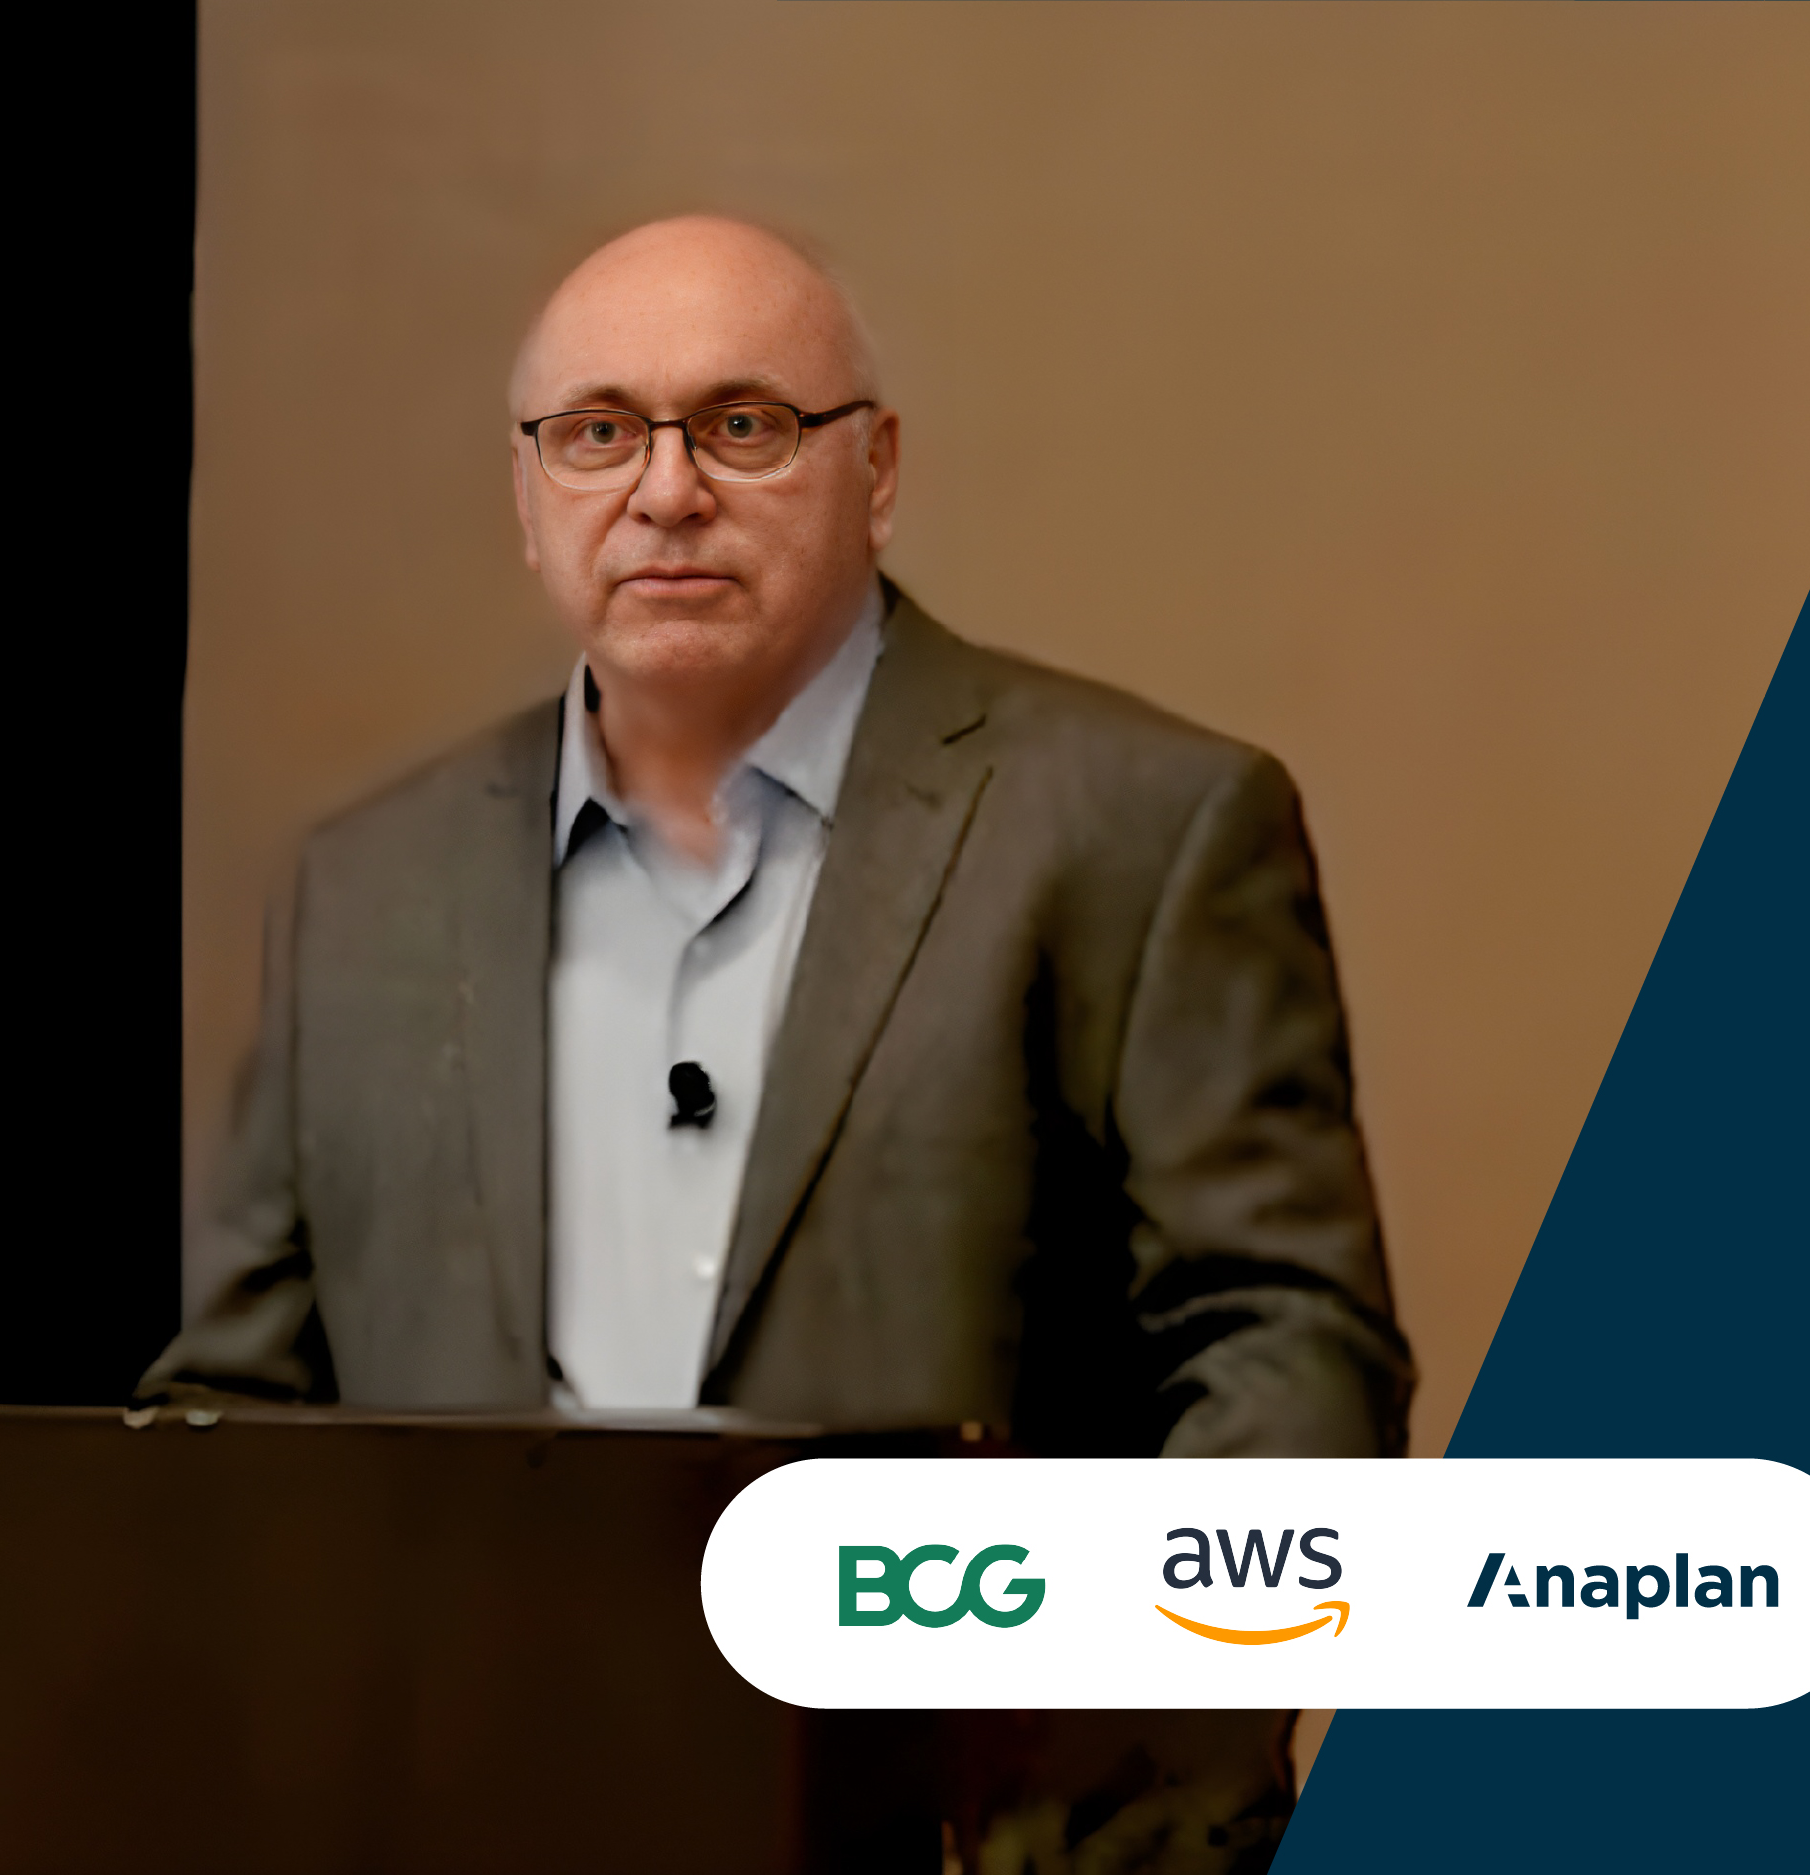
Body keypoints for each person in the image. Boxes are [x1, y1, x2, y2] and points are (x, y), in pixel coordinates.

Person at [147, 215, 1411, 1462]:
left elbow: (1290, 1363)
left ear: (878, 475)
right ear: (528, 500)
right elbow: (235, 1418)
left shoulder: (1139, 832)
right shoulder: (365, 890)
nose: (666, 495)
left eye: (743, 427)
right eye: (598, 435)